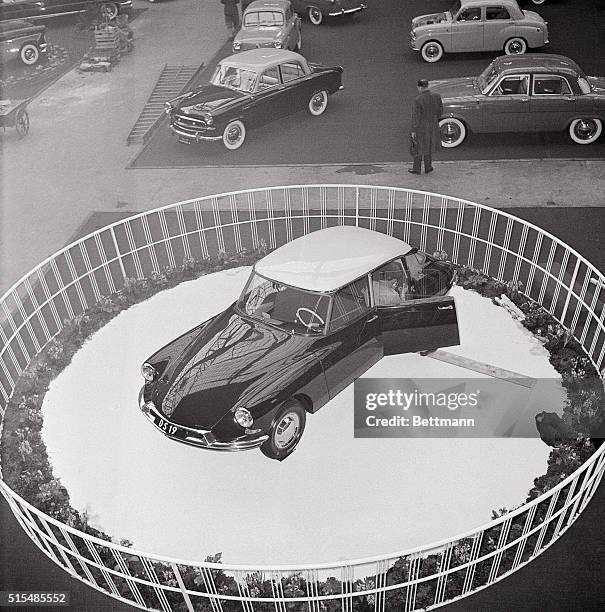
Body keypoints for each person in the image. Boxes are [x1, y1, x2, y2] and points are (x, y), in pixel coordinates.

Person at [409, 78, 443, 175]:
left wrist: (413, 130)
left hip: (421, 127)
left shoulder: (418, 100)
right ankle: (428, 167)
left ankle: (416, 169)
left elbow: (416, 117)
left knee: (418, 147)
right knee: (429, 146)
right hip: (433, 125)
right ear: (427, 86)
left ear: (419, 87)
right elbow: (440, 111)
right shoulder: (437, 96)